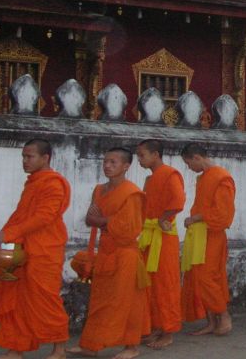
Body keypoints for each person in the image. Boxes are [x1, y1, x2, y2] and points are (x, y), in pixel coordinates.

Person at [0, 139, 71, 359]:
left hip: (44, 250)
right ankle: (16, 349)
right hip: (22, 249)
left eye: (30, 157)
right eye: (23, 156)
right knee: (17, 300)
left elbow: (44, 217)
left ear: (45, 158)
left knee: (46, 300)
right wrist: (6, 235)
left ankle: (59, 349)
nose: (25, 161)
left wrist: (8, 234)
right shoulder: (33, 182)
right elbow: (22, 215)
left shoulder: (53, 183)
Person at [68, 148, 149, 359]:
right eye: (105, 161)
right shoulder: (99, 190)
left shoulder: (132, 193)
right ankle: (90, 345)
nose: (107, 166)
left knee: (127, 302)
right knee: (99, 301)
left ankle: (131, 347)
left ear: (126, 166)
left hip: (125, 255)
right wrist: (104, 221)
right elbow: (89, 219)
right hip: (105, 252)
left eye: (113, 162)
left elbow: (129, 229)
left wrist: (101, 220)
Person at [180, 142, 236, 336]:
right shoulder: (203, 178)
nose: (189, 168)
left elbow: (223, 213)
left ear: (197, 157)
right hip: (199, 234)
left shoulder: (222, 178)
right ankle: (211, 321)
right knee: (197, 276)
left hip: (212, 234)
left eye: (189, 163)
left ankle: (224, 315)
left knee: (207, 277)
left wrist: (196, 217)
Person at [135, 139, 185, 349]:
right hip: (149, 234)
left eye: (142, 155)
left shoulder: (170, 174)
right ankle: (156, 326)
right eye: (138, 156)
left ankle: (168, 331)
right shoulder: (151, 178)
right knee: (151, 284)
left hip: (163, 236)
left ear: (156, 154)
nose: (139, 159)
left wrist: (163, 219)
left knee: (165, 283)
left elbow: (178, 201)